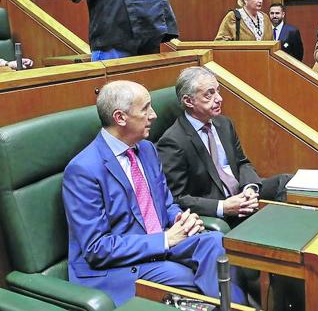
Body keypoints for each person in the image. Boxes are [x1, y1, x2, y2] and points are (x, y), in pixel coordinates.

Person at [62, 80, 245, 307]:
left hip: (160, 242)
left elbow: (166, 203)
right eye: (145, 108)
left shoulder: (147, 149)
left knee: (217, 243)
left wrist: (180, 219)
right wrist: (165, 239)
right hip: (115, 266)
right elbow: (96, 249)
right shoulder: (83, 170)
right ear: (120, 118)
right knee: (191, 279)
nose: (154, 115)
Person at [157, 66, 291, 228]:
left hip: (242, 192)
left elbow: (242, 162)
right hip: (219, 204)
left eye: (218, 91)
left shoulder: (224, 123)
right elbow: (178, 197)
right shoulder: (173, 141)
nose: (219, 98)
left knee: (287, 182)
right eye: (209, 94)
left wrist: (250, 188)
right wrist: (223, 207)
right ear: (188, 101)